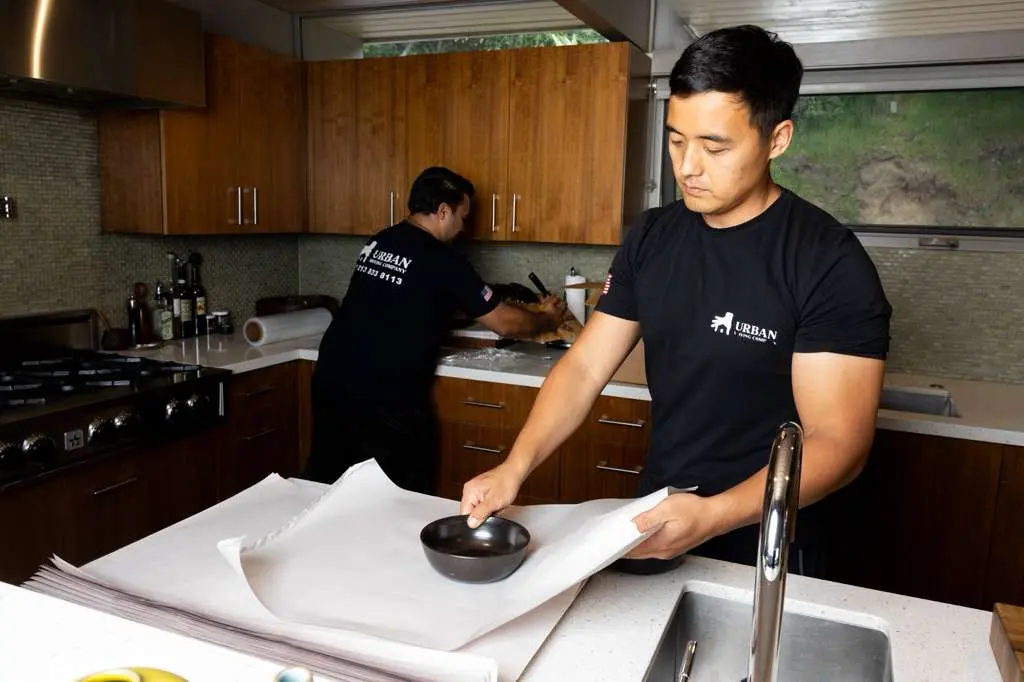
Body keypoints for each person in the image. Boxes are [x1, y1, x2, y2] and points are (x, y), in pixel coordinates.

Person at [458, 26, 893, 576]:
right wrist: (514, 467)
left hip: (770, 539)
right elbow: (587, 366)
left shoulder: (827, 261)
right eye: (676, 139)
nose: (686, 166)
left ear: (777, 139)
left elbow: (840, 443)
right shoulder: (653, 236)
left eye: (714, 145)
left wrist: (712, 516)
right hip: (661, 516)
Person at [305, 167, 566, 494]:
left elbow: (404, 299)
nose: (463, 226)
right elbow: (505, 322)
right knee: (400, 494)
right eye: (462, 216)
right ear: (443, 211)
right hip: (386, 393)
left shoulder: (380, 240)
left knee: (327, 484)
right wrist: (546, 319)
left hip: (332, 378)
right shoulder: (444, 261)